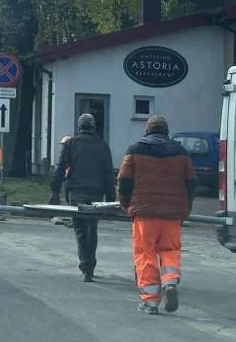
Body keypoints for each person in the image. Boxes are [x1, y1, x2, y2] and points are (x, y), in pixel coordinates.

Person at [117, 114, 196, 315]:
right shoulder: (181, 152)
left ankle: (150, 301)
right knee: (170, 250)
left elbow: (124, 181)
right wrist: (186, 207)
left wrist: (126, 204)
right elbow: (191, 182)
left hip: (144, 212)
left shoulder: (135, 150)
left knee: (146, 254)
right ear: (166, 131)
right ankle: (170, 283)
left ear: (147, 130)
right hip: (172, 214)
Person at [49, 114, 115, 282]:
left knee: (79, 229)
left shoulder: (71, 144)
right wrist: (111, 198)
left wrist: (55, 191)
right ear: (93, 127)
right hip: (96, 193)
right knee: (92, 228)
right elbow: (108, 174)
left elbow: (60, 168)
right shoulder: (103, 145)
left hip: (76, 192)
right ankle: (90, 266)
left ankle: (85, 266)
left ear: (79, 126)